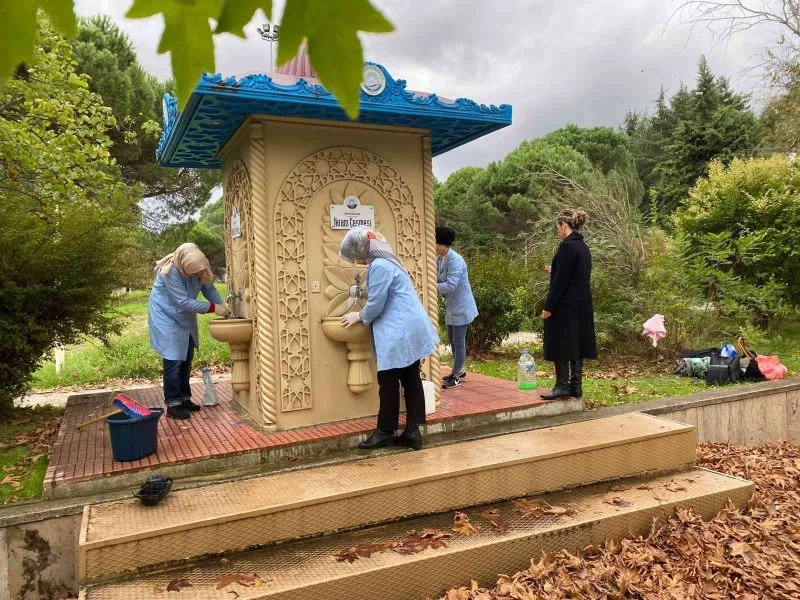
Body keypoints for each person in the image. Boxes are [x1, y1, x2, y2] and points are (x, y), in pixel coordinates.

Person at [340, 227, 439, 451]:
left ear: (363, 249)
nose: (357, 259)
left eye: (356, 254)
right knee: (411, 378)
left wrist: (359, 315)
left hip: (398, 329)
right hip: (409, 326)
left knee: (388, 382)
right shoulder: (390, 262)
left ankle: (384, 432)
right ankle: (413, 432)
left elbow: (376, 303)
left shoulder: (379, 266)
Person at [148, 243, 231, 420]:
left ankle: (184, 398)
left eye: (199, 273)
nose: (198, 276)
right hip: (165, 315)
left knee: (186, 355)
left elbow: (208, 287)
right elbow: (183, 302)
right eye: (193, 275)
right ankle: (173, 404)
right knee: (173, 359)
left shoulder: (201, 265)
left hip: (184, 315)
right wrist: (213, 308)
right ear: (185, 268)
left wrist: (222, 304)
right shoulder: (170, 271)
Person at [540, 209, 597, 400]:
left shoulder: (566, 247)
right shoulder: (583, 247)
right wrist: (555, 269)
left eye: (557, 227)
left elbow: (560, 282)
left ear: (564, 225)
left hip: (565, 305)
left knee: (561, 343)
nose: (557, 231)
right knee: (576, 343)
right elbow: (574, 273)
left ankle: (562, 385)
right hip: (582, 305)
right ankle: (576, 386)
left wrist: (548, 307)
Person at [435, 225, 478, 389]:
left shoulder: (455, 260)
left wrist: (430, 285)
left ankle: (455, 376)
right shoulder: (440, 258)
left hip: (461, 306)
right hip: (451, 306)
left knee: (459, 342)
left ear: (442, 243)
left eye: (434, 242)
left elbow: (451, 285)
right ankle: (458, 370)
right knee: (452, 340)